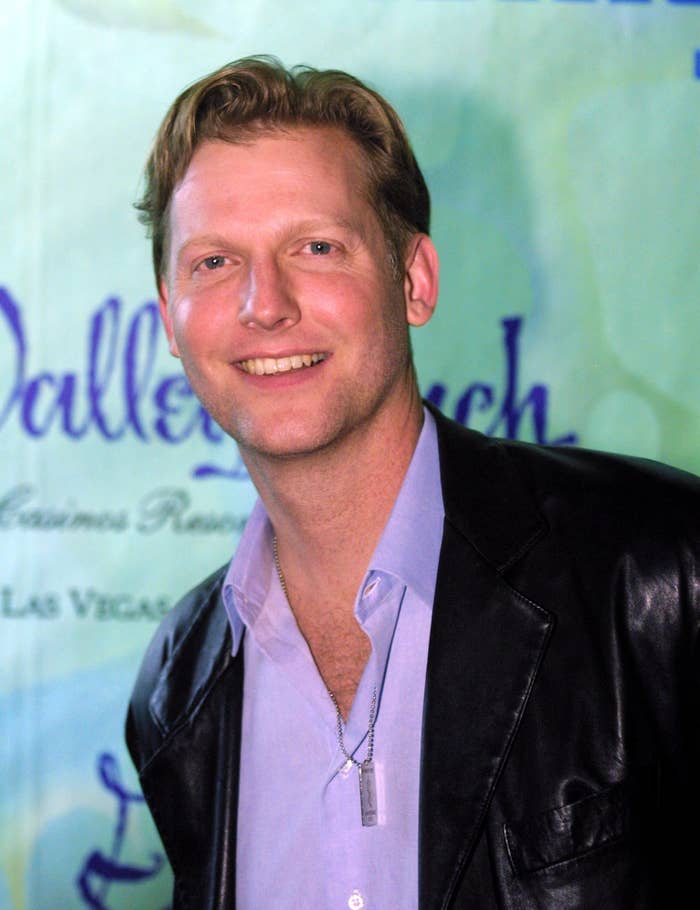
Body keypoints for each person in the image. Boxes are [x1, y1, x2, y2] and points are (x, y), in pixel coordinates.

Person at [126, 56, 700, 910]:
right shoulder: (176, 690)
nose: (264, 304)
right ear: (171, 319)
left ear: (414, 281)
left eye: (316, 248)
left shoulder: (658, 575)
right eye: (213, 261)